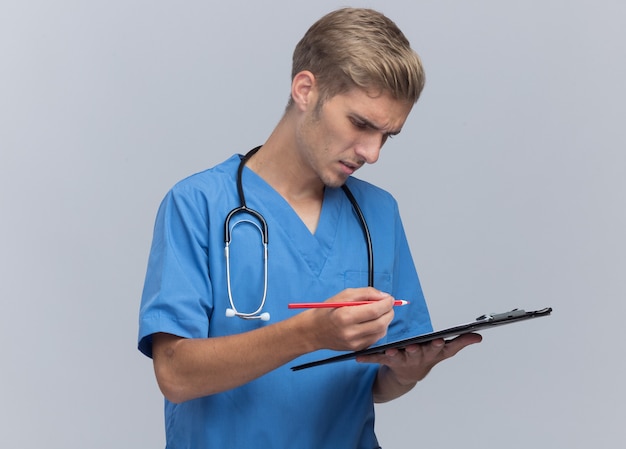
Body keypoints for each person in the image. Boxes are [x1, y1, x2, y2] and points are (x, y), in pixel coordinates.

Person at [138, 7, 481, 448]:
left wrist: (406, 373)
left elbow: (374, 382)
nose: (371, 153)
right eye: (360, 124)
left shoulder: (378, 214)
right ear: (305, 89)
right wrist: (309, 333)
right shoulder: (198, 205)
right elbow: (174, 374)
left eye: (386, 135)